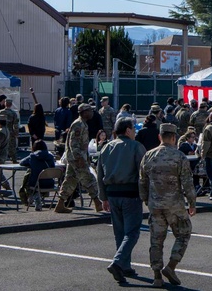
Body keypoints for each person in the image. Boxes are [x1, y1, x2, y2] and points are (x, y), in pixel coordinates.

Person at [140, 123, 197, 288]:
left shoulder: (149, 156)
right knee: (184, 233)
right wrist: (192, 203)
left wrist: (146, 200)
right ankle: (171, 266)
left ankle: (157, 276)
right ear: (174, 137)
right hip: (174, 204)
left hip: (155, 204)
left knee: (156, 240)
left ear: (159, 136)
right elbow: (187, 183)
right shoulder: (179, 156)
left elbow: (142, 181)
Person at [96, 118, 146, 284]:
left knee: (119, 232)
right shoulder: (135, 146)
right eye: (133, 128)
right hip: (130, 193)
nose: (135, 131)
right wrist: (145, 195)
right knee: (132, 232)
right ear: (127, 130)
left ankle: (125, 265)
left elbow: (99, 175)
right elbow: (142, 173)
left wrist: (103, 197)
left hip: (112, 193)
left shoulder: (106, 147)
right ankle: (118, 262)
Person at [55, 104, 104, 213]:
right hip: (76, 158)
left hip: (78, 157)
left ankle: (60, 204)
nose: (92, 113)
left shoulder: (83, 124)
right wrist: (79, 158)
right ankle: (98, 202)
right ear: (84, 112)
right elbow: (74, 144)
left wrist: (85, 158)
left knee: (70, 180)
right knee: (89, 179)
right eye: (90, 111)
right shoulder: (78, 124)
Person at [18, 140, 56, 211]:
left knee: (27, 178)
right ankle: (37, 197)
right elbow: (53, 167)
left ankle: (34, 196)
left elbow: (22, 162)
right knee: (39, 178)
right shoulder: (51, 157)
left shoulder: (33, 156)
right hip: (49, 183)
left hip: (35, 183)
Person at [0, 98, 21, 163]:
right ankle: (14, 159)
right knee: (12, 147)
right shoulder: (13, 113)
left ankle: (0, 159)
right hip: (10, 132)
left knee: (1, 146)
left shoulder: (0, 112)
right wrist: (16, 133)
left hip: (1, 132)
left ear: (5, 104)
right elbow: (15, 125)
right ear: (11, 105)